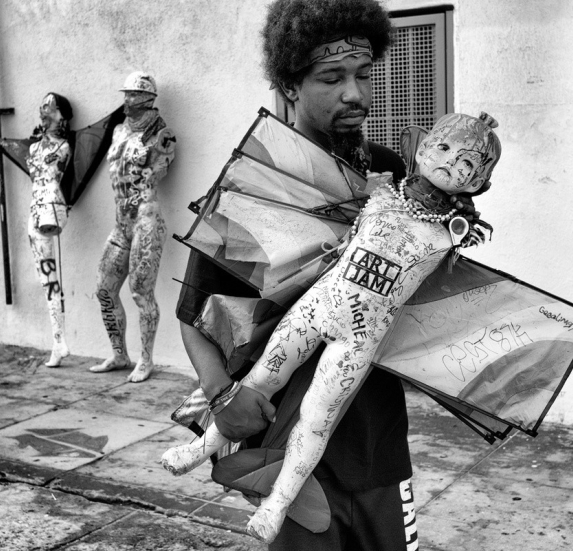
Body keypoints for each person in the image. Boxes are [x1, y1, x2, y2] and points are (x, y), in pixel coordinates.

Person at [172, 1, 479, 548]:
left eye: (364, 74)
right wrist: (222, 395)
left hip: (379, 439)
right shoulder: (258, 181)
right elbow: (195, 309)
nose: (355, 93)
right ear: (289, 84)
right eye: (331, 77)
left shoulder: (400, 178)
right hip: (290, 443)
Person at [90, 72, 177, 383]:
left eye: (132, 94)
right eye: (125, 94)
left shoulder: (161, 134)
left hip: (145, 220)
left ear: (148, 99)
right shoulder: (118, 131)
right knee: (104, 289)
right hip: (121, 223)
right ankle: (119, 354)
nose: (126, 99)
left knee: (141, 293)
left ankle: (146, 359)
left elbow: (159, 171)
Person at [25, 93, 74, 368]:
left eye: (49, 107)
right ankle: (58, 340)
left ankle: (59, 341)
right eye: (42, 105)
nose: (43, 110)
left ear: (61, 115)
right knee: (46, 279)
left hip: (50, 208)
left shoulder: (62, 147)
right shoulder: (35, 148)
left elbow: (51, 165)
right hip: (35, 208)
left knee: (49, 280)